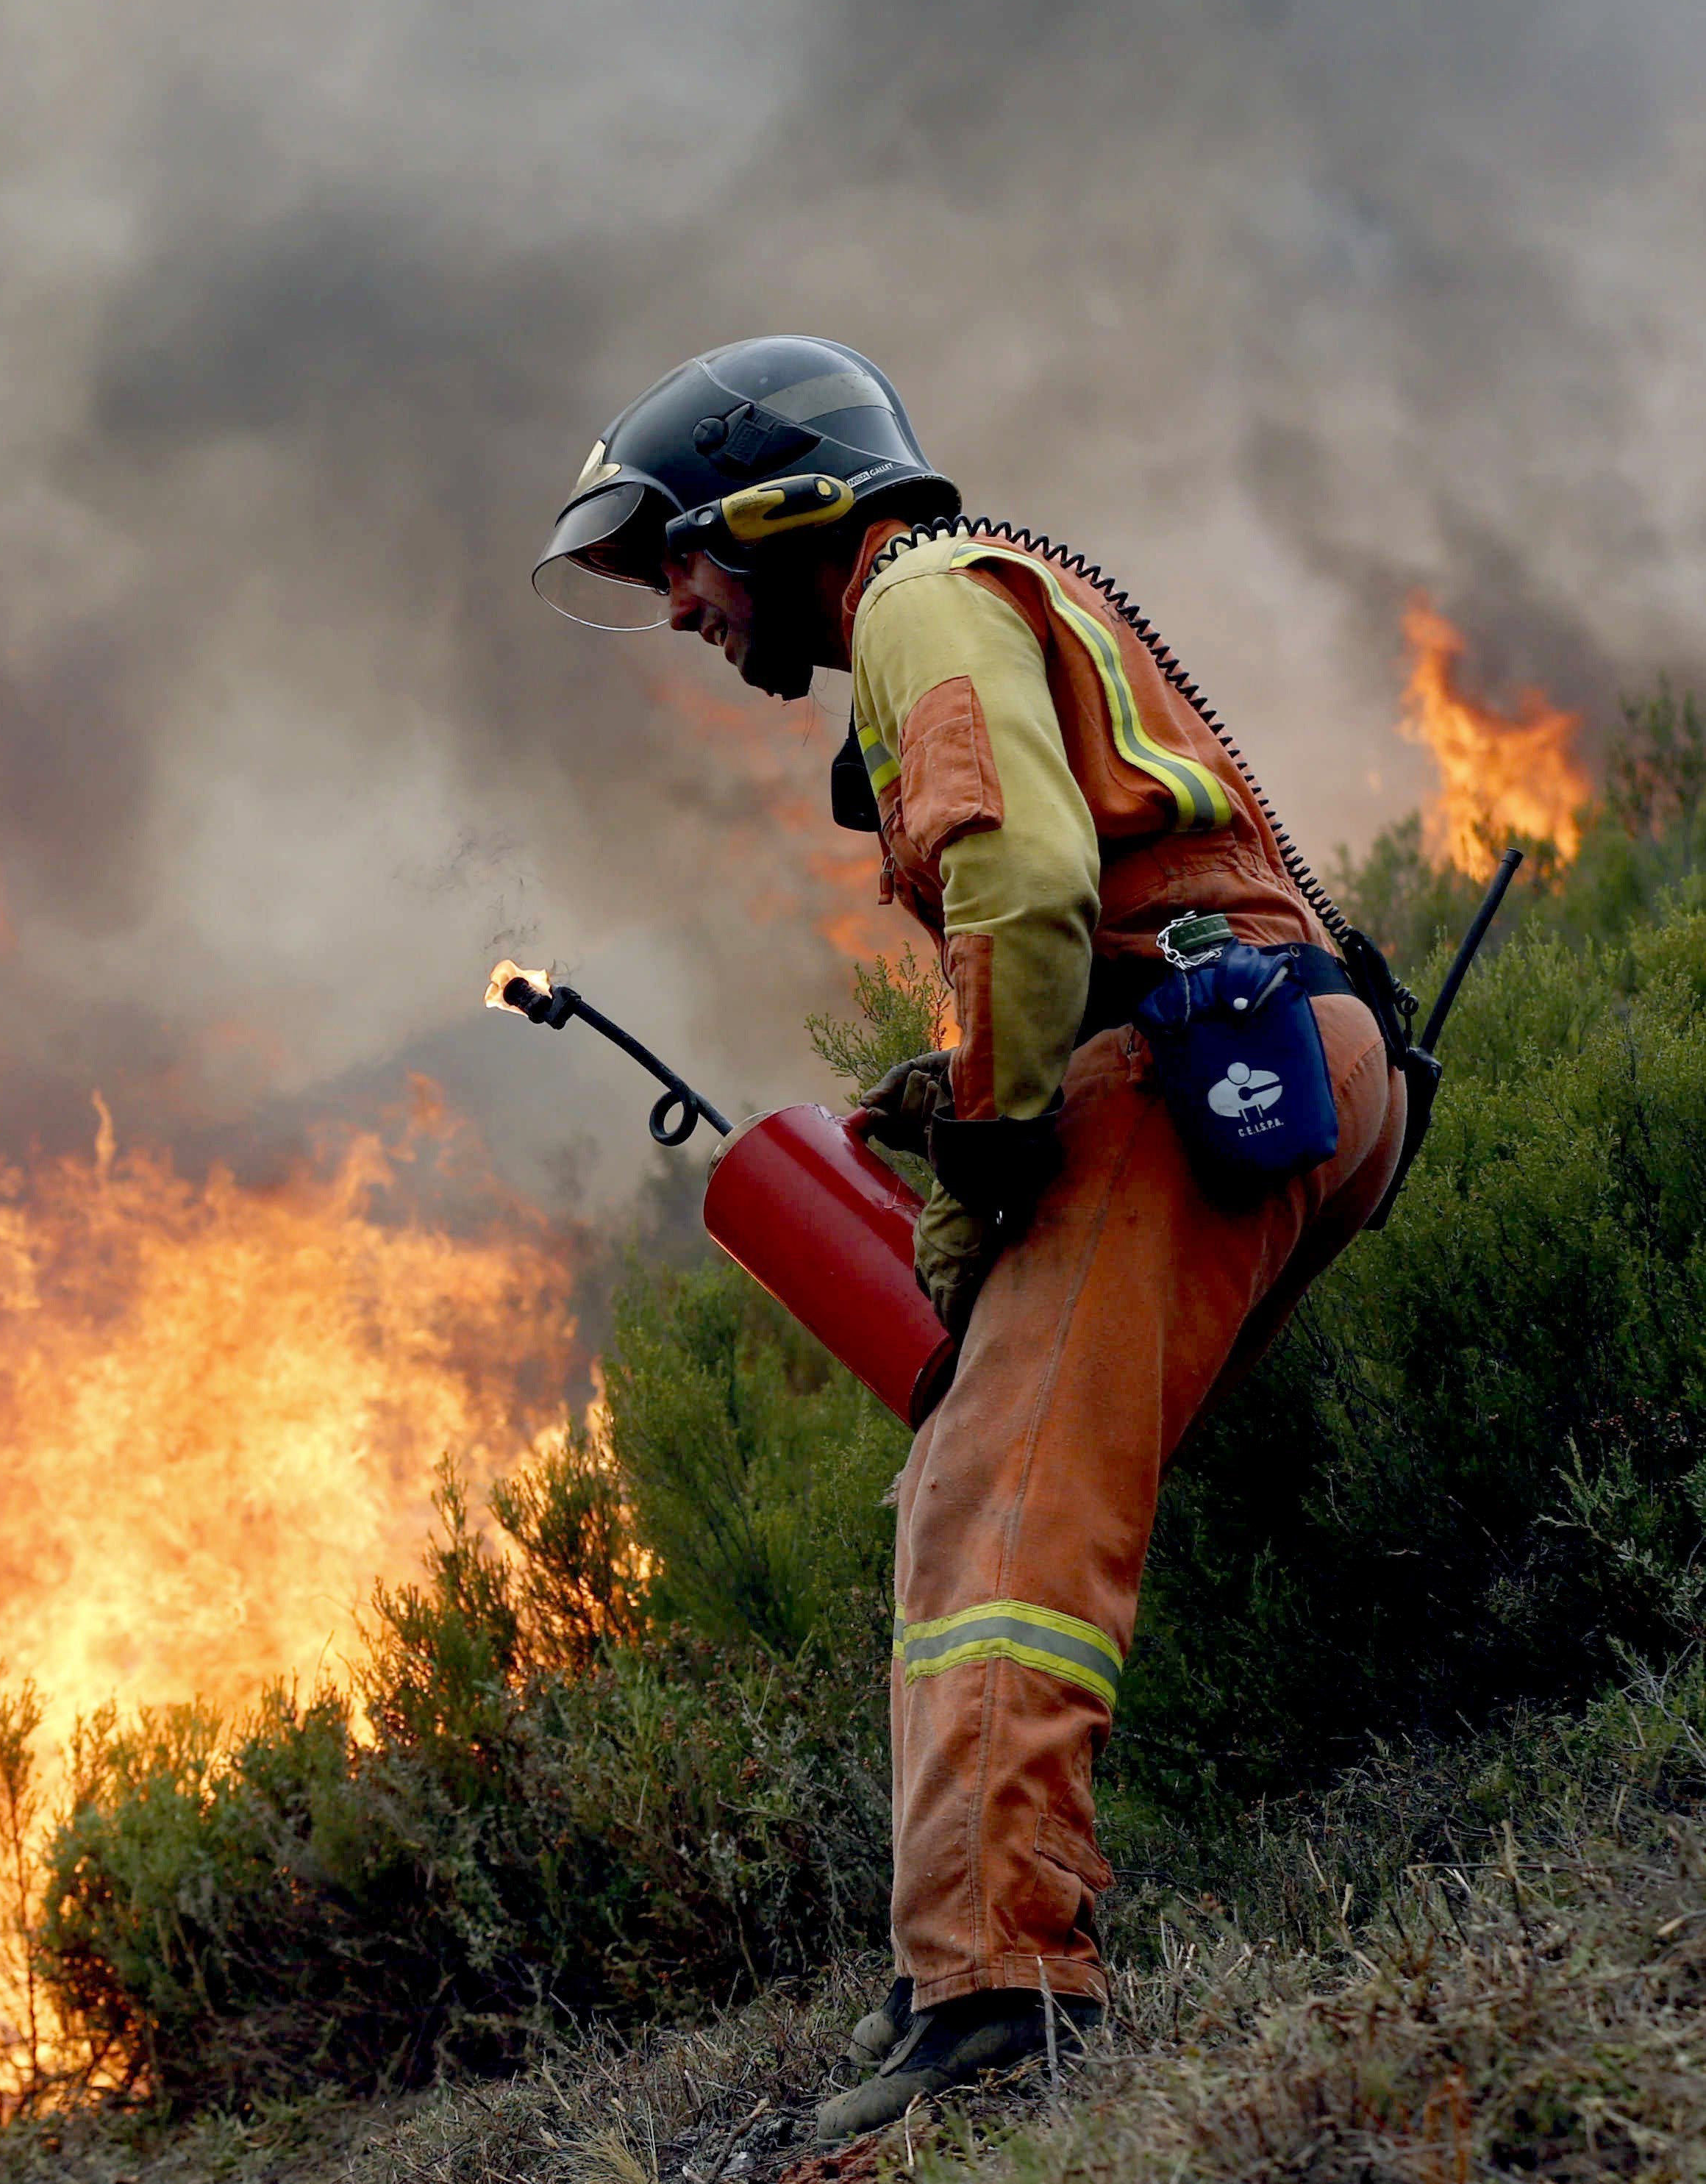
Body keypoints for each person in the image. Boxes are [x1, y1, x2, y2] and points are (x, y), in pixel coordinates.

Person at [532, 338, 1410, 2138]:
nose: (682, 609)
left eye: (681, 563)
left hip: (1197, 1064)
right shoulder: (982, 596)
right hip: (1273, 1054)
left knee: (1001, 1507)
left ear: (775, 510)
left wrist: (995, 1142)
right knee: (988, 1486)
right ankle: (967, 1953)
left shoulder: (923, 595)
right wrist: (964, 1098)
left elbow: (1021, 879)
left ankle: (1002, 1994)